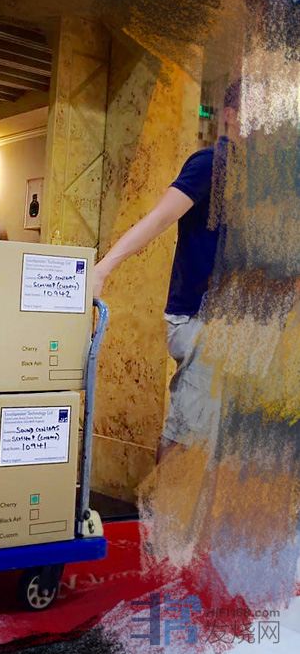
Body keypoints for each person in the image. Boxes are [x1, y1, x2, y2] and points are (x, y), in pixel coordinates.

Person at [92, 81, 240, 463]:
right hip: (202, 319)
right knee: (188, 438)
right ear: (231, 115)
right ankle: (165, 504)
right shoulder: (212, 164)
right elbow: (159, 218)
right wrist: (103, 269)